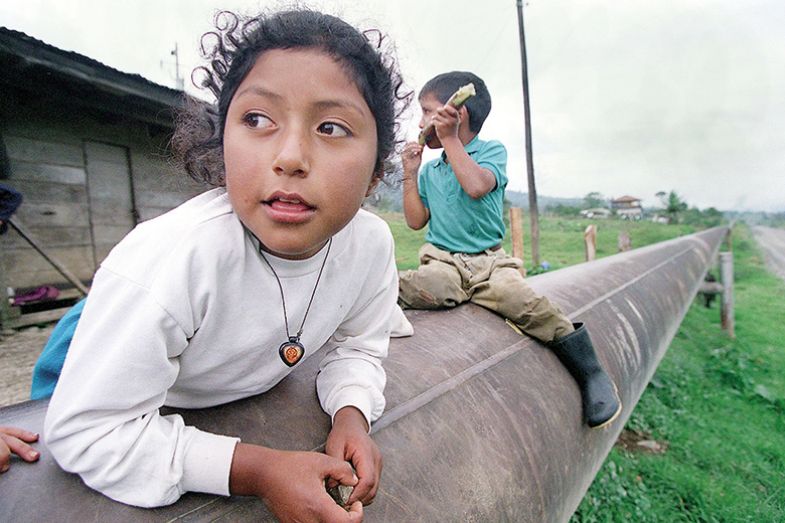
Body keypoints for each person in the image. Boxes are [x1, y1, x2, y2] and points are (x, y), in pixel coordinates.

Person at [44, 9, 411, 521]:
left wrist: (352, 414)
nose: (290, 157)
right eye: (257, 120)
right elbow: (88, 429)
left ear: (375, 171)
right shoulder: (174, 261)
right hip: (101, 341)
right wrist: (259, 471)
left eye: (331, 127)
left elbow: (359, 345)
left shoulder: (370, 246)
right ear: (222, 144)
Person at [398, 71, 621, 429]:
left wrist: (449, 138)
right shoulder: (431, 170)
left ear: (457, 113)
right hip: (443, 259)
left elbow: (476, 186)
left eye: (426, 112)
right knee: (425, 286)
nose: (421, 123)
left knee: (528, 305)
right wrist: (410, 173)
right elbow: (415, 220)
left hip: (489, 264)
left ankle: (592, 373)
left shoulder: (491, 152)